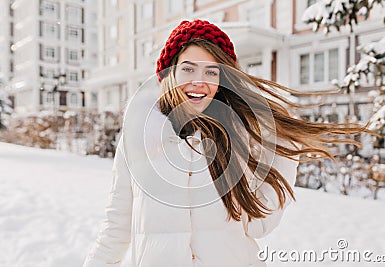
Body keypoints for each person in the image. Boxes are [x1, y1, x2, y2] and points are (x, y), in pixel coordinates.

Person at [83, 19, 369, 267]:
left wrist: (285, 151)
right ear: (169, 73)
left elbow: (258, 224)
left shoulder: (238, 137)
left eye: (211, 71)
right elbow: (116, 227)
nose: (199, 81)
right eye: (188, 69)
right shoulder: (137, 139)